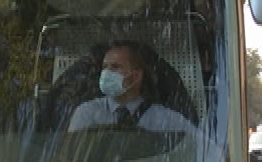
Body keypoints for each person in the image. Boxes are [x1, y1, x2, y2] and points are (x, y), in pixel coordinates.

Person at [66, 41, 195, 135]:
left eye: (115, 67)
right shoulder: (86, 114)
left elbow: (204, 151)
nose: (106, 73)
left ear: (136, 76)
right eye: (105, 67)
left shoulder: (165, 119)